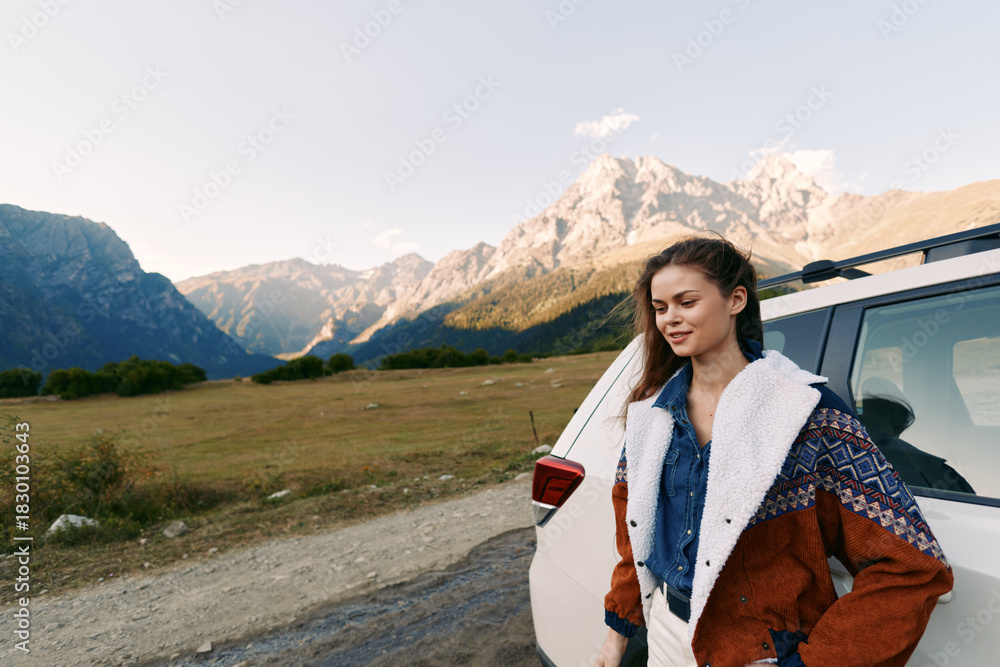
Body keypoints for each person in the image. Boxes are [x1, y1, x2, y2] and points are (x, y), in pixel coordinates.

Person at [593, 234, 954, 667]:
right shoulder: (651, 417)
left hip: (760, 650)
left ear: (736, 300)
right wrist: (615, 640)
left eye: (686, 302)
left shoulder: (805, 413)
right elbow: (637, 539)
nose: (670, 319)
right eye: (660, 308)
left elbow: (912, 567)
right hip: (669, 636)